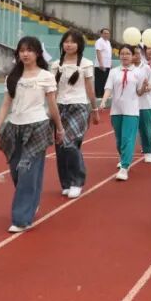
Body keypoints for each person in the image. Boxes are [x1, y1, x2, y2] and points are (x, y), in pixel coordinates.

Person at [0, 36, 64, 233]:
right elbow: (6, 104)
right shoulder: (13, 77)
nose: (25, 54)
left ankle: (21, 219)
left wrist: (59, 128)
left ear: (38, 53)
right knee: (16, 170)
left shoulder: (46, 76)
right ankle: (31, 201)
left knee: (28, 171)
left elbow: (52, 105)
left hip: (37, 126)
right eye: (22, 50)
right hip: (14, 127)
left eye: (30, 50)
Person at [50, 30, 99, 199]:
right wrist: (51, 110)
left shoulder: (86, 64)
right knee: (60, 146)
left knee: (70, 143)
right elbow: (52, 91)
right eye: (66, 41)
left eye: (72, 42)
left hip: (79, 107)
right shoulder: (55, 65)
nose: (69, 45)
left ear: (79, 45)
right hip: (59, 107)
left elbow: (90, 88)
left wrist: (95, 110)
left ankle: (77, 181)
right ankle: (66, 182)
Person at [100, 45, 149, 181]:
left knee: (128, 138)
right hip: (116, 110)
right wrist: (103, 101)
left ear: (133, 56)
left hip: (131, 110)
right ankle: (123, 158)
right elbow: (108, 88)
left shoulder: (139, 72)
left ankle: (124, 167)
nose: (125, 56)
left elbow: (139, 92)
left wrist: (144, 87)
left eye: (128, 53)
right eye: (122, 53)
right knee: (119, 140)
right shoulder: (114, 72)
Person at [94, 27, 113, 98]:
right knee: (99, 81)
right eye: (105, 33)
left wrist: (110, 64)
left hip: (107, 65)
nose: (106, 35)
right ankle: (98, 95)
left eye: (108, 33)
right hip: (100, 65)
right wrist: (101, 64)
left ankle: (103, 95)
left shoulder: (108, 42)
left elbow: (109, 54)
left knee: (105, 80)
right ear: (101, 34)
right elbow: (98, 52)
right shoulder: (99, 41)